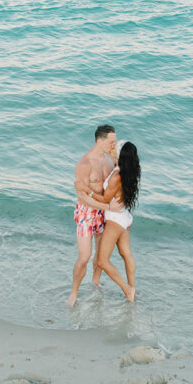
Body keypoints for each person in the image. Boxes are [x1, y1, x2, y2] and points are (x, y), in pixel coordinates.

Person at [69, 124, 119, 307]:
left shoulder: (109, 159)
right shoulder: (84, 164)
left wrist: (116, 157)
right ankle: (74, 293)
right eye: (111, 142)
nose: (114, 145)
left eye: (114, 142)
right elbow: (82, 197)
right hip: (87, 213)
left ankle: (95, 283)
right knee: (84, 257)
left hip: (104, 213)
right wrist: (108, 207)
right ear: (100, 140)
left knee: (100, 255)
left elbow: (120, 175)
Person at [92, 141, 140, 302]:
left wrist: (87, 192)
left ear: (120, 156)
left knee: (102, 261)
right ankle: (132, 290)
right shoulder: (127, 171)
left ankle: (127, 290)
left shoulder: (116, 176)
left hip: (115, 220)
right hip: (124, 216)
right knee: (126, 253)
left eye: (115, 148)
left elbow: (105, 199)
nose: (113, 149)